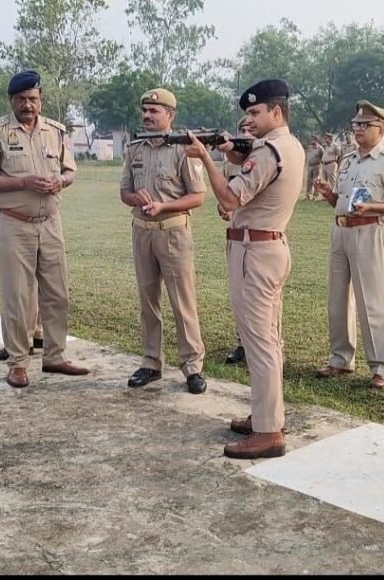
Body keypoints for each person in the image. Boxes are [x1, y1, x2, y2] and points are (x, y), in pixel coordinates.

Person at [184, 78, 305, 459]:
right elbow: (248, 169)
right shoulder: (287, 145)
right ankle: (268, 415)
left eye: (254, 112)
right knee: (268, 337)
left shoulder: (269, 151)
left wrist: (205, 157)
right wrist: (227, 152)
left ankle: (269, 432)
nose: (248, 120)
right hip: (266, 245)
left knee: (259, 341)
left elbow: (231, 195)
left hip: (255, 251)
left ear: (276, 111)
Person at [0, 69, 90, 389]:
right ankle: (18, 363)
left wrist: (60, 181)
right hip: (14, 224)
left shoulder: (55, 130)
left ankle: (54, 356)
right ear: (11, 100)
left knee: (57, 294)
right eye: (22, 99)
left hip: (51, 223)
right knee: (18, 297)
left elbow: (70, 171)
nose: (28, 105)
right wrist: (23, 182)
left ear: (41, 100)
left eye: (33, 99)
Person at [313, 101, 384, 390]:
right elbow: (341, 200)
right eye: (355, 124)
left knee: (374, 300)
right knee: (337, 298)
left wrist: (372, 207)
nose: (358, 130)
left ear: (381, 129)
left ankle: (381, 365)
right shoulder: (347, 160)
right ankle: (340, 358)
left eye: (364, 125)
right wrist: (329, 194)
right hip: (341, 230)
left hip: (370, 231)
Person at [120, 88, 208, 394]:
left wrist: (164, 206)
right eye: (145, 110)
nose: (147, 115)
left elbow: (197, 197)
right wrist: (135, 197)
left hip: (173, 232)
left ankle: (192, 366)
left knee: (182, 302)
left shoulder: (184, 149)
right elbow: (124, 192)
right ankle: (151, 361)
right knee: (148, 300)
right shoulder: (135, 149)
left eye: (154, 111)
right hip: (142, 230)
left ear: (170, 115)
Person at [222, 115, 254, 366]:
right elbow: (225, 193)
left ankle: (270, 346)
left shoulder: (265, 159)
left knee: (263, 299)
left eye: (250, 129)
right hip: (235, 232)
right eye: (241, 129)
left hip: (259, 235)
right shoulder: (231, 163)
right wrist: (224, 210)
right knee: (239, 294)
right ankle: (242, 342)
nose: (245, 133)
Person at [305, 135, 323, 201]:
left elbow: (323, 157)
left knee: (315, 181)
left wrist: (320, 164)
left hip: (316, 166)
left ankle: (315, 196)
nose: (312, 141)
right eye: (311, 139)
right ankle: (308, 196)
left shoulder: (320, 148)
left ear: (316, 140)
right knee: (309, 181)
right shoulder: (310, 148)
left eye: (313, 139)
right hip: (310, 166)